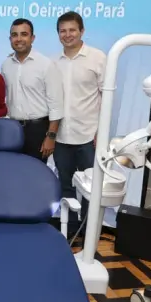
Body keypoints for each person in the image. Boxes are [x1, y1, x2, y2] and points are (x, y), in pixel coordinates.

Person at [53, 12, 106, 219]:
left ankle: (87, 230)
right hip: (61, 137)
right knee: (65, 185)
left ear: (82, 31)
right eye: (63, 31)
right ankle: (69, 229)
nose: (67, 35)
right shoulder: (53, 61)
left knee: (90, 188)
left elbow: (107, 97)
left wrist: (101, 132)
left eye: (72, 30)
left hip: (88, 137)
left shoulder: (98, 58)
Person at [1, 18, 63, 162]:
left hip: (38, 130)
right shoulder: (6, 65)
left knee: (35, 172)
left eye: (24, 34)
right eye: (14, 35)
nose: (19, 39)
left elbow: (56, 104)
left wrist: (51, 136)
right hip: (12, 128)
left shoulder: (45, 64)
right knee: (11, 170)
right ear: (10, 39)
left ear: (32, 38)